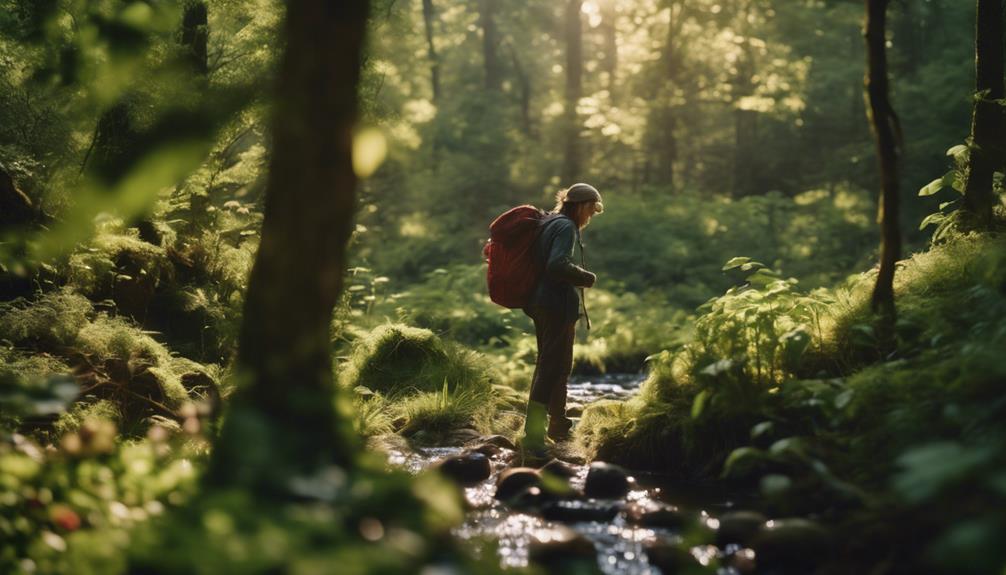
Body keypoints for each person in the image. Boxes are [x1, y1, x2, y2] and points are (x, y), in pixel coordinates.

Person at [521, 182, 603, 455]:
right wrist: (586, 277)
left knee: (554, 364)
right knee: (551, 367)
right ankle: (533, 436)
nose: (591, 216)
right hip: (555, 304)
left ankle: (558, 425)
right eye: (591, 210)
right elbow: (556, 265)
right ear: (580, 206)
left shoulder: (548, 222)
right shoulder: (566, 226)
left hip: (538, 301)